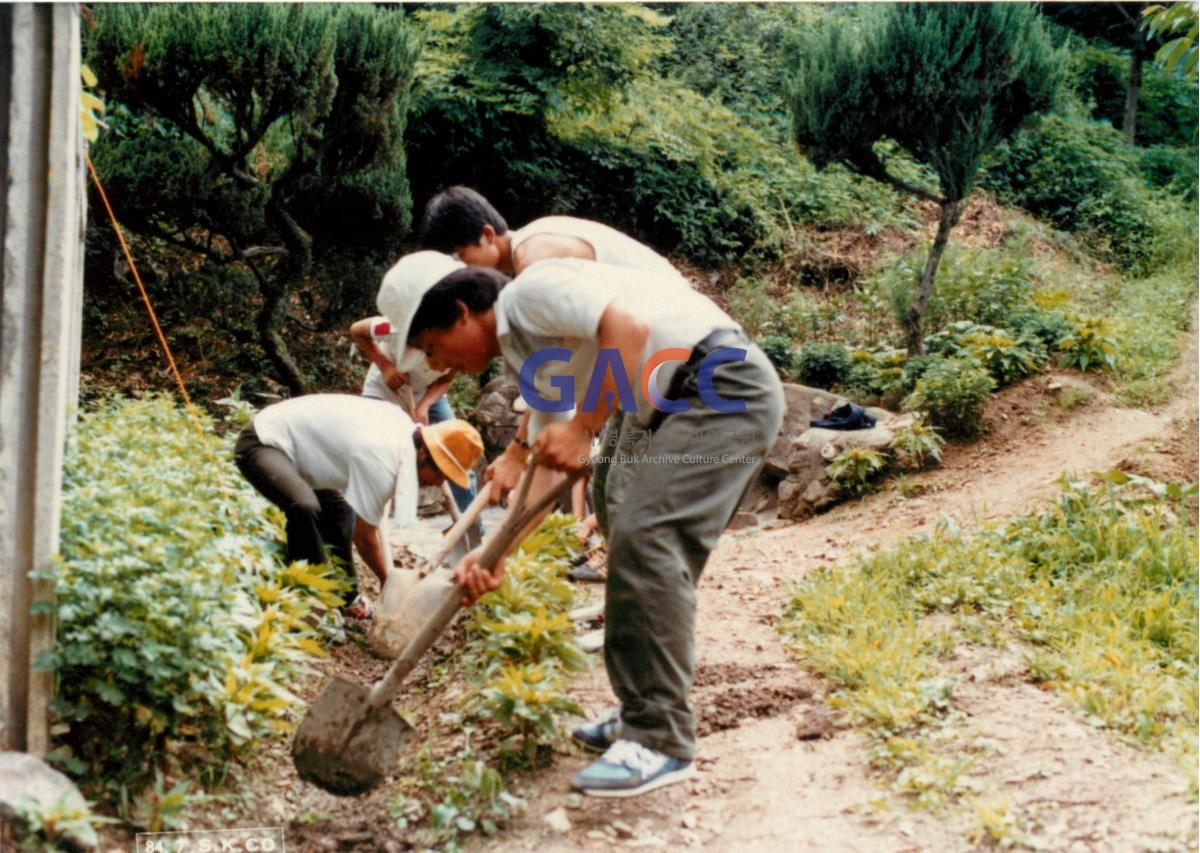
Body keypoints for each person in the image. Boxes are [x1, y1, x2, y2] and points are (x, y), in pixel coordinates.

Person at [388, 255, 785, 798]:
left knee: (649, 539)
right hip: (687, 402)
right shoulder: (530, 354)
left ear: (461, 314)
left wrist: (584, 425)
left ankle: (661, 739)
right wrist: (496, 556)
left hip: (722, 385)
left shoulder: (530, 294)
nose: (439, 364)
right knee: (629, 539)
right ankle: (639, 713)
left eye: (432, 347)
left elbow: (629, 327)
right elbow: (550, 465)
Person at [416, 186, 692, 514]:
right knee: (609, 493)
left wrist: (528, 447)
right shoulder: (528, 264)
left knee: (625, 497)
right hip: (642, 359)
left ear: (487, 235)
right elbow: (550, 383)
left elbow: (554, 382)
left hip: (674, 349)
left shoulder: (536, 262)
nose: (460, 277)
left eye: (460, 260)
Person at [234, 394, 484, 619]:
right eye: (441, 474)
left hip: (302, 456)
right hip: (264, 441)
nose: (439, 483)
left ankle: (346, 596)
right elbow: (364, 537)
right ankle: (313, 601)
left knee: (340, 512)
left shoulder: (404, 435)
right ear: (423, 456)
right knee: (304, 507)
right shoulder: (382, 457)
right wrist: (391, 584)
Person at [349, 314, 477, 519]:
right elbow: (357, 329)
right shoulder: (398, 327)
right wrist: (386, 366)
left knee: (457, 454)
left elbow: (445, 381)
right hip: (383, 390)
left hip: (427, 395)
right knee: (371, 458)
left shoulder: (459, 346)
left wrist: (425, 405)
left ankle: (471, 533)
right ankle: (362, 528)